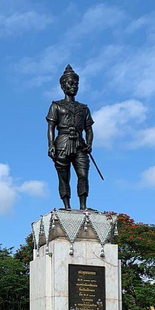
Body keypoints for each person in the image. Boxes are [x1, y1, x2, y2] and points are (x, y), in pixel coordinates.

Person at [47, 65, 94, 210]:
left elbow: (89, 129)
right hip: (62, 142)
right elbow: (51, 127)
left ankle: (83, 206)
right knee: (64, 177)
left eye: (76, 84)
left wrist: (89, 143)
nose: (73, 86)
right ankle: (67, 206)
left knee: (83, 175)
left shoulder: (83, 108)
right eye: (70, 83)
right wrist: (51, 145)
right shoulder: (56, 106)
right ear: (63, 86)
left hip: (80, 144)